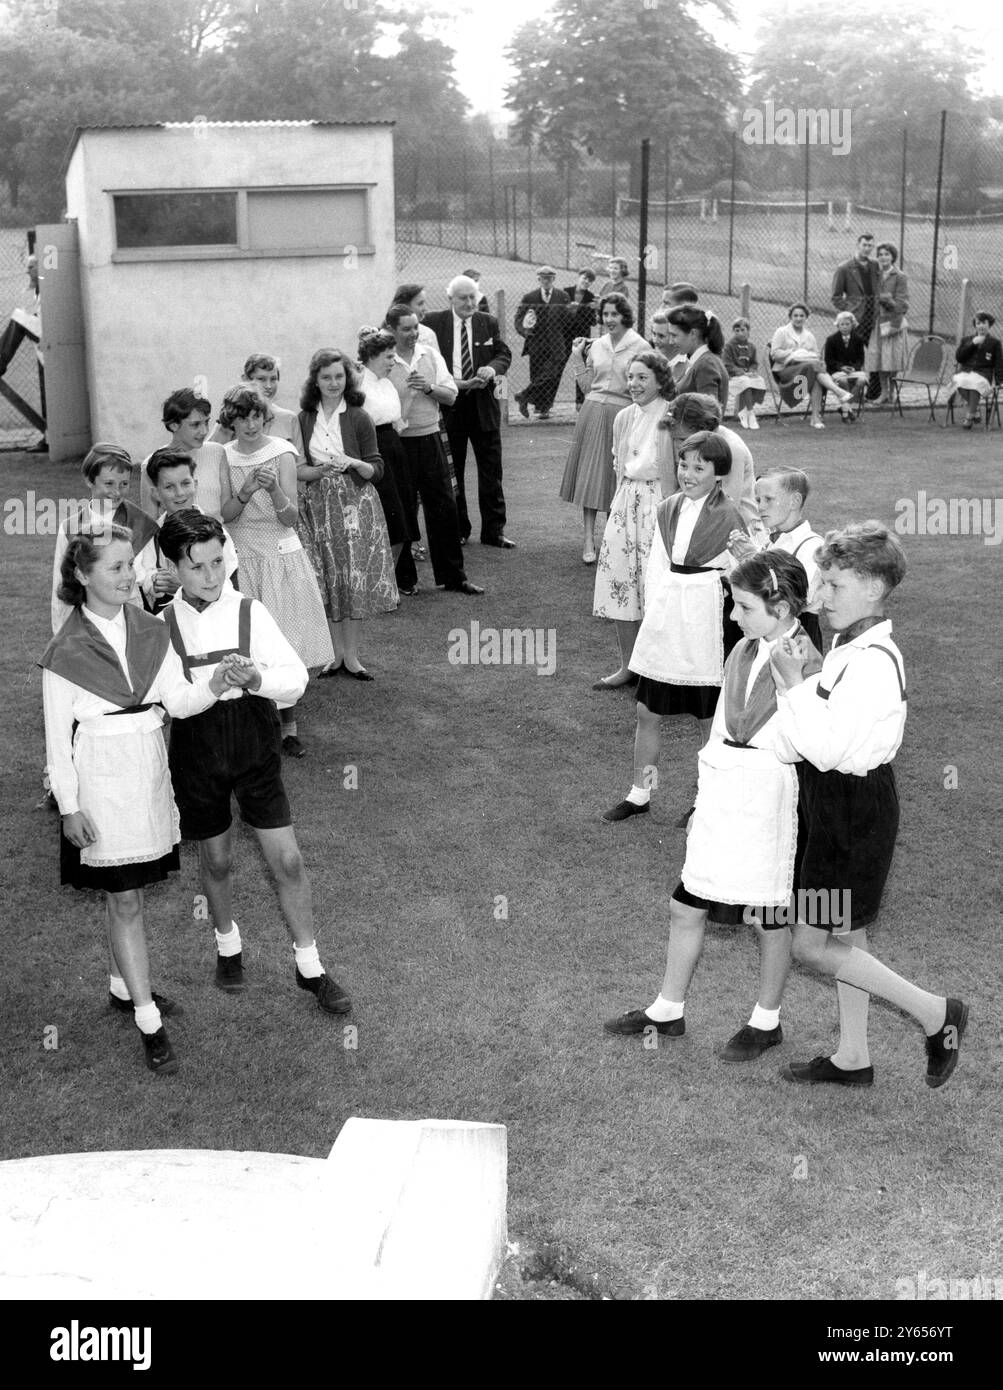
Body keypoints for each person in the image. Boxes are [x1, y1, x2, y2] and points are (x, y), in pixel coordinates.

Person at [771, 521, 967, 1090]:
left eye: (832, 585)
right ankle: (853, 1057)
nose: (819, 597)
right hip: (836, 801)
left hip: (852, 809)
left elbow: (828, 749)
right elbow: (818, 737)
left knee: (811, 944)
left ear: (874, 588)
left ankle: (936, 1013)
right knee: (847, 936)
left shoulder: (873, 660)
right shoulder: (849, 647)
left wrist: (794, 685)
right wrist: (811, 676)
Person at [604, 552, 822, 1059]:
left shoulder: (804, 661)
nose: (732, 616)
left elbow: (803, 741)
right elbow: (728, 718)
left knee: (769, 914)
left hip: (771, 798)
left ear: (783, 607)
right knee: (686, 902)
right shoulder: (745, 648)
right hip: (724, 791)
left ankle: (767, 1021)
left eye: (743, 607)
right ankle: (667, 1010)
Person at [41, 523, 231, 1074]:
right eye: (116, 568)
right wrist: (70, 805)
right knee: (123, 898)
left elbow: (178, 699)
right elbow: (58, 741)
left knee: (132, 894)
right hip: (100, 776)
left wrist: (215, 684)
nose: (130, 576)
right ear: (82, 575)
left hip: (147, 767)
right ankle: (148, 1018)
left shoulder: (151, 631)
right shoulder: (65, 650)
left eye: (131, 565)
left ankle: (123, 987)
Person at [158, 510, 352, 1016]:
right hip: (197, 748)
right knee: (217, 859)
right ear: (174, 567)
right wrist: (214, 685)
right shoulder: (163, 624)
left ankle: (309, 966)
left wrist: (255, 680)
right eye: (198, 566)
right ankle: (228, 946)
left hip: (254, 742)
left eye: (218, 561)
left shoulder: (251, 611)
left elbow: (295, 680)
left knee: (287, 859)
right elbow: (175, 702)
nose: (212, 575)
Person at [602, 431, 747, 824]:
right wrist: (655, 616)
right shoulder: (667, 509)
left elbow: (740, 573)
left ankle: (705, 800)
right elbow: (656, 568)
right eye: (684, 464)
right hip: (668, 622)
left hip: (707, 626)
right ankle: (639, 793)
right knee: (647, 711)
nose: (688, 473)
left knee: (707, 720)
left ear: (719, 474)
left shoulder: (731, 517)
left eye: (700, 467)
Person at [218, 385, 334, 757]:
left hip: (280, 557)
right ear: (231, 419)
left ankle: (289, 730)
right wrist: (248, 491)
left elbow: (291, 518)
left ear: (264, 417)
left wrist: (275, 493)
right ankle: (253, 725)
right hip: (240, 558)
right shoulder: (222, 456)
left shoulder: (282, 452)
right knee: (245, 645)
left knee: (283, 641)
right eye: (242, 417)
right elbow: (226, 515)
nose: (250, 424)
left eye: (256, 416)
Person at [296, 348, 398, 681]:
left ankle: (352, 656)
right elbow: (301, 467)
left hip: (354, 501)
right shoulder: (305, 417)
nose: (333, 383)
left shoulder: (358, 416)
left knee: (352, 574)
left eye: (339, 376)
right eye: (326, 377)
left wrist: (353, 463)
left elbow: (377, 468)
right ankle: (335, 654)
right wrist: (318, 471)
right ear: (315, 380)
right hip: (320, 503)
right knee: (328, 574)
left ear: (347, 378)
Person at [592, 352, 677, 689]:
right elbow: (618, 466)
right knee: (621, 585)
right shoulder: (624, 416)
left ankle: (658, 672)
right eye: (631, 377)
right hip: (627, 503)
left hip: (659, 504)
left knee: (656, 587)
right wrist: (616, 508)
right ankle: (628, 667)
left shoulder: (672, 414)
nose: (634, 384)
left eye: (642, 377)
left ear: (660, 379)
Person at [385, 304, 483, 595]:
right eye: (406, 328)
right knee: (402, 510)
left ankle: (454, 576)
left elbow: (451, 396)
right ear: (391, 330)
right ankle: (405, 581)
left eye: (415, 326)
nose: (413, 333)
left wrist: (428, 388)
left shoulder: (430, 355)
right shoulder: (384, 360)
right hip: (398, 444)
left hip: (429, 440)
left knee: (443, 507)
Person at [424, 275, 515, 548]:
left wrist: (493, 368)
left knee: (491, 471)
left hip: (483, 405)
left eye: (472, 297)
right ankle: (459, 530)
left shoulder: (487, 322)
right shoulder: (433, 322)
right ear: (450, 298)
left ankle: (494, 531)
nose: (469, 302)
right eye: (463, 298)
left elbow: (504, 354)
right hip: (449, 404)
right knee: (453, 472)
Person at [559, 293, 649, 564]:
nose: (609, 319)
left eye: (614, 314)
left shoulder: (641, 346)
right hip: (592, 412)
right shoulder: (596, 345)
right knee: (590, 477)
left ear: (625, 315)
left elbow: (644, 385)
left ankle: (614, 538)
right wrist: (577, 356)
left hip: (624, 416)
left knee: (617, 477)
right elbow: (587, 387)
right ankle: (588, 540)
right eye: (605, 314)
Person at [51, 443, 158, 634]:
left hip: (130, 615)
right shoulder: (71, 528)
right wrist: (61, 633)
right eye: (109, 483)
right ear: (89, 480)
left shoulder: (140, 523)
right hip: (86, 619)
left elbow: (148, 571)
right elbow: (61, 584)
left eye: (124, 484)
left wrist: (153, 581)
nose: (117, 492)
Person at [728, 467, 823, 651]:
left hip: (796, 638)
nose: (761, 506)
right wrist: (743, 558)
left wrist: (752, 559)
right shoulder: (769, 541)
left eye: (769, 499)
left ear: (795, 501)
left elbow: (796, 597)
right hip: (768, 631)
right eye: (758, 499)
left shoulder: (811, 545)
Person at [134, 450, 238, 614]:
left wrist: (185, 586)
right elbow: (141, 582)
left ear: (195, 484)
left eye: (185, 483)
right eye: (169, 487)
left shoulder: (215, 534)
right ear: (156, 493)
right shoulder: (149, 536)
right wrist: (153, 583)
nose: (180, 493)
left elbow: (230, 588)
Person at [357, 328, 414, 582]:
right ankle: (381, 582)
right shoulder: (359, 387)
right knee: (392, 520)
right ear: (372, 355)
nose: (393, 362)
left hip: (395, 451)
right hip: (374, 453)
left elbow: (398, 422)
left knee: (405, 515)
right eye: (389, 357)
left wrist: (411, 395)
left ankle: (395, 580)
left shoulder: (388, 384)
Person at [141, 388, 228, 520]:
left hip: (217, 536)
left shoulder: (217, 452)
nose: (204, 431)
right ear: (174, 425)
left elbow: (226, 511)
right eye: (195, 425)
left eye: (206, 422)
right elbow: (149, 522)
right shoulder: (152, 463)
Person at [770, 303, 853, 429]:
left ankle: (815, 418)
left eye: (802, 316)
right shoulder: (781, 332)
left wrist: (806, 355)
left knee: (815, 376)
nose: (798, 318)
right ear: (790, 317)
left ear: (806, 317)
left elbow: (817, 356)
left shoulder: (809, 335)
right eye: (795, 315)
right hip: (786, 371)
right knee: (812, 367)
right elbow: (774, 354)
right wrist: (793, 353)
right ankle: (838, 391)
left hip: (807, 372)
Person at [210, 353, 305, 459]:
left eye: (273, 379)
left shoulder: (289, 418)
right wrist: (226, 427)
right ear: (245, 380)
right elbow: (209, 458)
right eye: (261, 379)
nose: (268, 386)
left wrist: (320, 471)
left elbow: (299, 467)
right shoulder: (233, 414)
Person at [0, 251, 46, 450]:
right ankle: (49, 438)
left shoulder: (49, 287)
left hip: (51, 340)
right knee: (48, 396)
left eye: (31, 267)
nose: (27, 271)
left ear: (40, 267)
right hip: (45, 346)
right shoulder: (40, 289)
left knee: (18, 317)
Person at [513, 266, 571, 421]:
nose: (546, 281)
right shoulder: (529, 297)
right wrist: (525, 332)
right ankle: (539, 407)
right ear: (538, 279)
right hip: (536, 344)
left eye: (550, 278)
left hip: (556, 344)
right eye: (543, 278)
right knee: (537, 375)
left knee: (552, 376)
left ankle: (529, 398)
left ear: (554, 279)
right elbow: (519, 319)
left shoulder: (563, 296)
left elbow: (569, 321)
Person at [868, 244, 909, 404]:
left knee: (892, 360)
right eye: (880, 254)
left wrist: (888, 301)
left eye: (887, 254)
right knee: (879, 359)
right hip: (878, 322)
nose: (883, 257)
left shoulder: (899, 276)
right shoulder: (875, 275)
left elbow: (903, 304)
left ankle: (891, 393)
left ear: (893, 257)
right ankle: (883, 393)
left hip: (893, 323)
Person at [665, 305, 729, 408]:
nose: (670, 341)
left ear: (693, 334)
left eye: (674, 335)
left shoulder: (706, 365)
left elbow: (708, 412)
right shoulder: (698, 361)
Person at [950, 312, 1003, 429]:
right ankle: (975, 408)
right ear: (975, 325)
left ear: (989, 325)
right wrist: (973, 344)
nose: (981, 326)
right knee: (957, 380)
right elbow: (959, 358)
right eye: (978, 323)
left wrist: (999, 381)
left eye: (984, 323)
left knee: (975, 384)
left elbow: (999, 363)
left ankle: (969, 416)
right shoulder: (967, 340)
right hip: (966, 371)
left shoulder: (995, 343)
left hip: (983, 374)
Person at [831, 233, 879, 351]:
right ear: (858, 245)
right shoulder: (844, 268)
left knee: (875, 355)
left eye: (870, 246)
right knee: (853, 353)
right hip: (856, 318)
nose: (867, 249)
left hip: (874, 317)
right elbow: (836, 297)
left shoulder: (876, 266)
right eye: (864, 245)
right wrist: (850, 310)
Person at [562, 270, 598, 408]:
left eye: (590, 280)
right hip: (565, 335)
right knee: (558, 366)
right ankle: (544, 404)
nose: (586, 281)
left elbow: (592, 322)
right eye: (584, 278)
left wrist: (591, 309)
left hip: (582, 337)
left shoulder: (591, 297)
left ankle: (579, 401)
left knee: (581, 367)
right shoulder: (566, 292)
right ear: (579, 277)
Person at [823, 312, 868, 419]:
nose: (844, 327)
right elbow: (828, 360)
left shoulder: (858, 339)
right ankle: (847, 410)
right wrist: (841, 367)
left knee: (862, 380)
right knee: (843, 381)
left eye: (847, 324)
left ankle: (844, 407)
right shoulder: (831, 340)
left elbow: (861, 359)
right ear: (837, 325)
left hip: (854, 371)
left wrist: (854, 368)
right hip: (836, 371)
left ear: (852, 325)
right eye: (842, 324)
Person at [722, 317, 766, 429]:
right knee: (746, 382)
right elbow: (727, 364)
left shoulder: (751, 346)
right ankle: (751, 414)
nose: (740, 333)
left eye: (743, 330)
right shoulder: (729, 346)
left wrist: (751, 371)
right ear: (734, 332)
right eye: (737, 330)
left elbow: (754, 363)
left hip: (747, 376)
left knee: (760, 382)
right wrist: (741, 372)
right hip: (733, 376)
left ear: (748, 331)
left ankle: (743, 411)